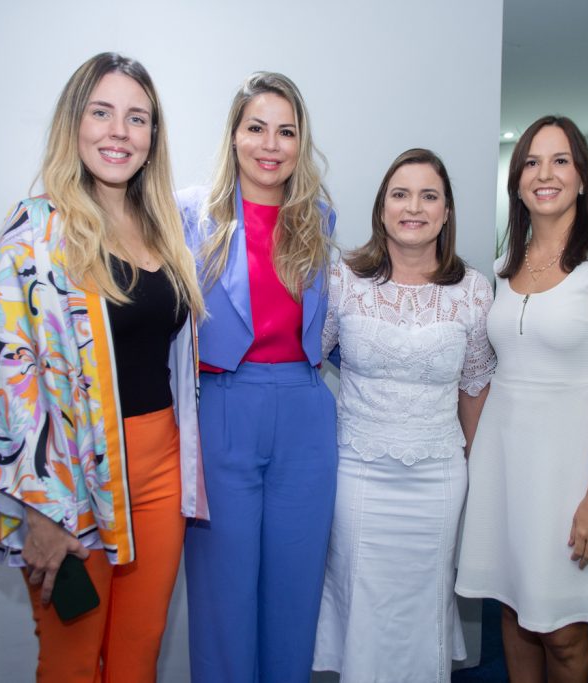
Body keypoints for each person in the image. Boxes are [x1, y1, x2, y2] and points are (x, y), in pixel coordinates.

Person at [0, 53, 206, 682]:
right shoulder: (35, 230)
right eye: (102, 113)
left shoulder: (165, 231)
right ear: (75, 123)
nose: (118, 131)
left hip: (160, 472)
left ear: (153, 139)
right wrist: (40, 512)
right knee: (71, 663)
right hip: (70, 480)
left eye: (137, 118)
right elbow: (10, 377)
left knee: (137, 658)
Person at [455, 115, 588, 682]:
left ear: (582, 178)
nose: (545, 174)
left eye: (560, 160)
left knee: (562, 632)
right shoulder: (503, 269)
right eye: (531, 163)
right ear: (516, 182)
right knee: (513, 612)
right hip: (507, 467)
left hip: (574, 473)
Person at [312, 148, 497, 681]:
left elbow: (475, 388)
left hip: (438, 476)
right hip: (358, 471)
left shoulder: (473, 291)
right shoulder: (343, 278)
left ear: (446, 211)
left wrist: (478, 476)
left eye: (428, 195)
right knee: (361, 596)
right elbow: (307, 363)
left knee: (423, 600)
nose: (413, 206)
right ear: (382, 207)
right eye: (400, 194)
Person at [178, 71, 337, 682]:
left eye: (286, 131)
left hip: (304, 411)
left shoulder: (318, 218)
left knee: (296, 596)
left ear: (301, 142)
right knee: (223, 598)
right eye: (256, 128)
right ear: (235, 135)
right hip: (222, 411)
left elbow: (334, 323)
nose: (270, 144)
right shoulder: (192, 213)